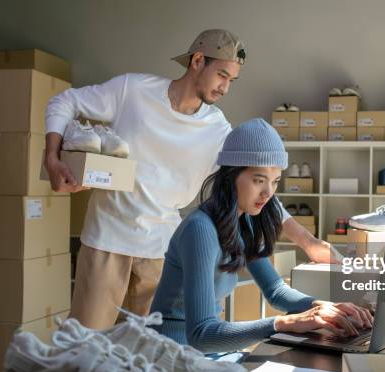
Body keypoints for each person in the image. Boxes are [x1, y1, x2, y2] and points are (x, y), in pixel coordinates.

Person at [44, 29, 341, 330]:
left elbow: (261, 188)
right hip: (107, 240)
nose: (225, 87)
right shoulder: (132, 90)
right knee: (84, 349)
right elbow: (63, 102)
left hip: (163, 251)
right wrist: (52, 158)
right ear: (197, 61)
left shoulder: (218, 131)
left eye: (232, 80)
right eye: (222, 75)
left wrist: (309, 242)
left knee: (155, 355)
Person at [150, 118, 372, 353]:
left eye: (275, 182)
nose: (268, 193)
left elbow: (276, 290)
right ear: (230, 176)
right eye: (259, 180)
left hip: (207, 353)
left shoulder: (244, 222)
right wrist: (284, 323)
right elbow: (202, 334)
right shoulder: (200, 229)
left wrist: (321, 306)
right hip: (173, 355)